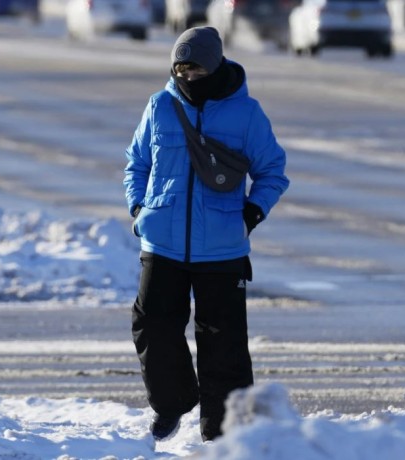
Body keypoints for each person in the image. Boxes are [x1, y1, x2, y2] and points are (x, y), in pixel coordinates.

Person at [122, 26, 289, 442]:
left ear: (214, 67)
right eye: (180, 69)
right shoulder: (160, 105)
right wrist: (140, 208)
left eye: (195, 69)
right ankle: (173, 402)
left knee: (225, 347)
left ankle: (225, 436)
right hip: (161, 242)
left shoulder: (246, 113)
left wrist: (250, 213)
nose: (187, 77)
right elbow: (136, 162)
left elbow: (271, 172)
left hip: (222, 247)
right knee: (152, 326)